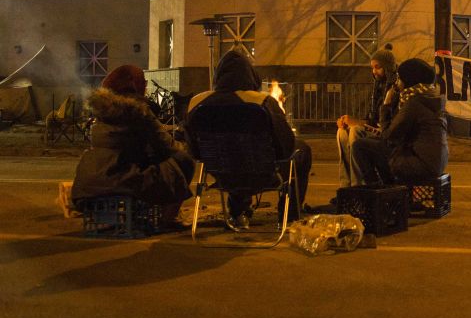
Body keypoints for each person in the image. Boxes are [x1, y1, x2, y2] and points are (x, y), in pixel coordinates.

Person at [185, 50, 312, 229]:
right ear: (250, 76)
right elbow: (286, 146)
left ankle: (237, 213)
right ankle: (289, 216)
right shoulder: (262, 102)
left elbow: (194, 150)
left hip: (221, 175)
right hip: (263, 174)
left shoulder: (197, 102)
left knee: (233, 155)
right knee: (302, 150)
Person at [70, 64, 195, 228]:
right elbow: (167, 146)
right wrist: (189, 149)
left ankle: (132, 215)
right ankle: (167, 220)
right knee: (180, 162)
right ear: (135, 85)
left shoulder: (101, 111)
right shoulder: (138, 111)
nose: (146, 86)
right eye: (143, 82)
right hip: (123, 176)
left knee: (152, 165)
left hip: (88, 181)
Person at [353, 58, 448, 185]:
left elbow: (388, 136)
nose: (397, 82)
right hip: (434, 162)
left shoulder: (414, 103)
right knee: (378, 146)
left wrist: (386, 104)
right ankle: (387, 188)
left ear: (409, 80)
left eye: (399, 78)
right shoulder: (430, 98)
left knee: (359, 146)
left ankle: (375, 190)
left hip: (420, 164)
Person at [335, 43, 399, 187]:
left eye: (378, 67)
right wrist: (349, 120)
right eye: (372, 68)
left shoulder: (395, 88)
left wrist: (357, 123)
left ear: (388, 68)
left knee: (356, 131)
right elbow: (371, 117)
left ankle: (359, 185)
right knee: (342, 132)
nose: (374, 71)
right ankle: (346, 185)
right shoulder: (378, 86)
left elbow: (388, 122)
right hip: (376, 128)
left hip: (387, 133)